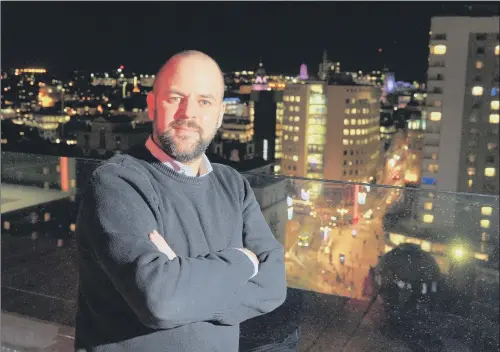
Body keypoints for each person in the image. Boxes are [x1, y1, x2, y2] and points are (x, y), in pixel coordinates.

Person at [74, 50, 287, 352]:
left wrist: (186, 288)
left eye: (204, 101)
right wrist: (244, 261)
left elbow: (274, 285)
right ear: (151, 106)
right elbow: (161, 302)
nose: (188, 113)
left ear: (219, 116)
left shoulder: (233, 184)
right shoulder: (116, 183)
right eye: (175, 98)